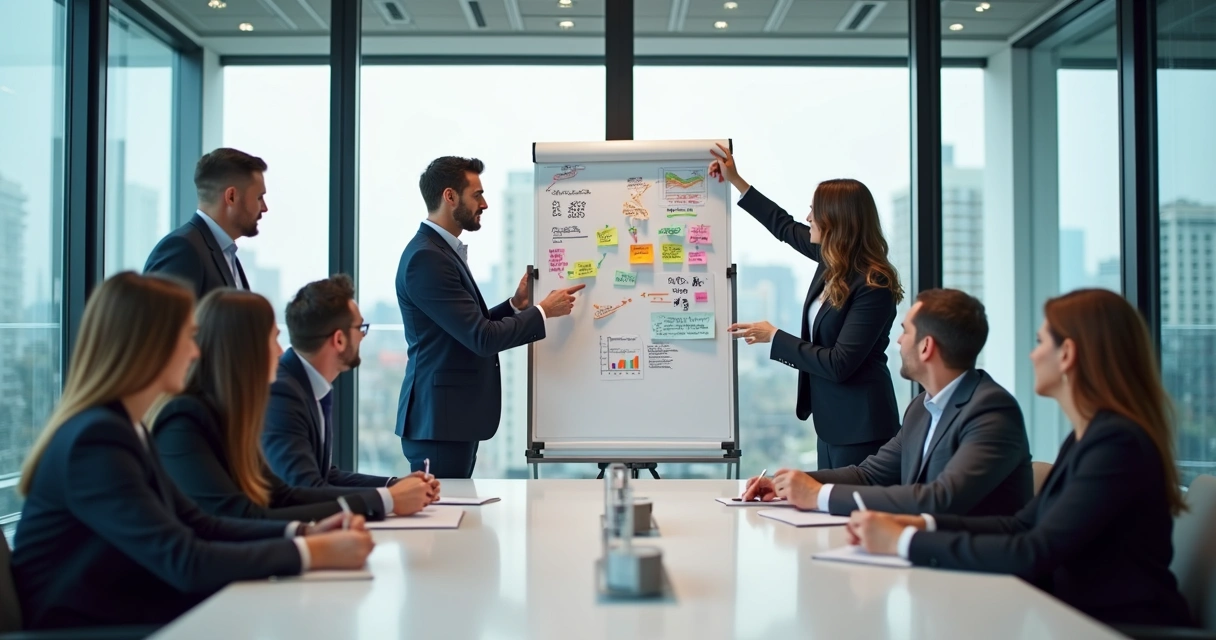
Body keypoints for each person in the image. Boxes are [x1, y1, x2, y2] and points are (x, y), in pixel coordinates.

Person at [11, 273, 373, 631]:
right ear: (150, 346)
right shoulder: (97, 441)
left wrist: (305, 533)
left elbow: (200, 525)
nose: (196, 351)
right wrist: (313, 553)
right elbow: (184, 560)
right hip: (86, 629)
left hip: (131, 614)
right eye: (187, 337)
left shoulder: (125, 427)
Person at [849, 289, 1192, 628]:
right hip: (1069, 617)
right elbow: (1021, 525)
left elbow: (1033, 551)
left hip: (1115, 627)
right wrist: (921, 525)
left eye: (1041, 342)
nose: (1033, 354)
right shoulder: (1089, 437)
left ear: (1067, 354)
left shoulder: (1116, 445)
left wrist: (903, 542)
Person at [742, 289, 1033, 517]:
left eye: (906, 331)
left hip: (978, 570)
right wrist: (790, 483)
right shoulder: (921, 408)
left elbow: (940, 500)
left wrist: (818, 495)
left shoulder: (991, 411)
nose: (899, 341)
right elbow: (869, 475)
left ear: (926, 346)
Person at [154, 289, 437, 523]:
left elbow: (283, 495)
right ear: (244, 351)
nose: (280, 351)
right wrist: (387, 499)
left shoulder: (228, 415)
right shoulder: (187, 421)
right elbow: (242, 514)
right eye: (273, 339)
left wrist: (392, 491)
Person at [711, 144, 903, 469]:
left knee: (847, 501)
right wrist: (736, 181)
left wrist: (774, 337)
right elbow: (783, 226)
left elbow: (840, 363)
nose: (808, 217)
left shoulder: (874, 284)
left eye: (815, 210)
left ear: (837, 220)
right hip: (830, 424)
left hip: (862, 428)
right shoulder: (832, 261)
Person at [395, 156, 584, 478]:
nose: (484, 204)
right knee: (445, 509)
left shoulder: (438, 252)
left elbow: (464, 327)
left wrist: (515, 304)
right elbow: (481, 338)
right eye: (477, 195)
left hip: (448, 421)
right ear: (450, 196)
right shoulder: (427, 258)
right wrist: (543, 311)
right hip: (439, 424)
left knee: (453, 506)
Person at [262, 276, 438, 513]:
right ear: (339, 339)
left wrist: (396, 485)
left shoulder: (305, 382)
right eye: (360, 328)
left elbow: (325, 475)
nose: (363, 336)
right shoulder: (282, 393)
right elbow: (305, 488)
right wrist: (389, 499)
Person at [143, 148, 268, 296]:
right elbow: (160, 311)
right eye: (259, 197)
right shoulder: (183, 250)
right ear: (231, 197)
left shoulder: (225, 252)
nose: (264, 208)